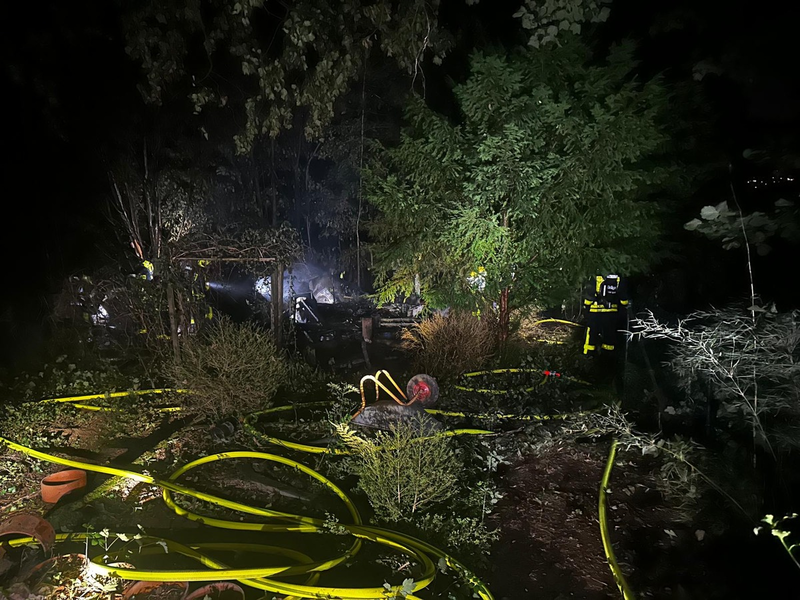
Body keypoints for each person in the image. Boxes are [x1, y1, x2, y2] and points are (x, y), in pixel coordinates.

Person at [583, 274, 629, 355]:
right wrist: (625, 304)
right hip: (611, 313)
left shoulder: (596, 276)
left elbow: (590, 294)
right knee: (609, 335)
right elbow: (623, 296)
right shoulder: (618, 278)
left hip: (595, 312)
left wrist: (586, 305)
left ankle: (588, 356)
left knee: (591, 334)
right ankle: (607, 358)